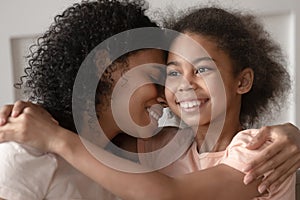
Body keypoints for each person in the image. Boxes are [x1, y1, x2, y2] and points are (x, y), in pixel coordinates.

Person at [0, 4, 300, 200]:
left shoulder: (260, 150)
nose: (180, 87)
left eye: (202, 69)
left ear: (242, 81)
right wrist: (33, 115)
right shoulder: (162, 145)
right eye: (169, 74)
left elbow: (171, 194)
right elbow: (86, 136)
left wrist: (53, 136)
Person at [0, 0, 166, 199]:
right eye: (155, 77)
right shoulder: (24, 152)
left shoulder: (129, 164)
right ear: (105, 65)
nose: (164, 97)